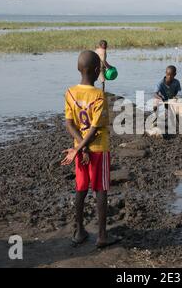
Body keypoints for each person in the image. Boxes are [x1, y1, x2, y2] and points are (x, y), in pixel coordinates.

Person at [61, 50, 118, 248]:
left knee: (81, 189)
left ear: (78, 69)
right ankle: (102, 235)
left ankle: (79, 231)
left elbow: (69, 124)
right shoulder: (99, 96)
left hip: (79, 150)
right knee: (100, 190)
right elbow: (94, 129)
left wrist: (78, 148)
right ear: (97, 71)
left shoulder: (69, 93)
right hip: (98, 150)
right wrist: (82, 148)